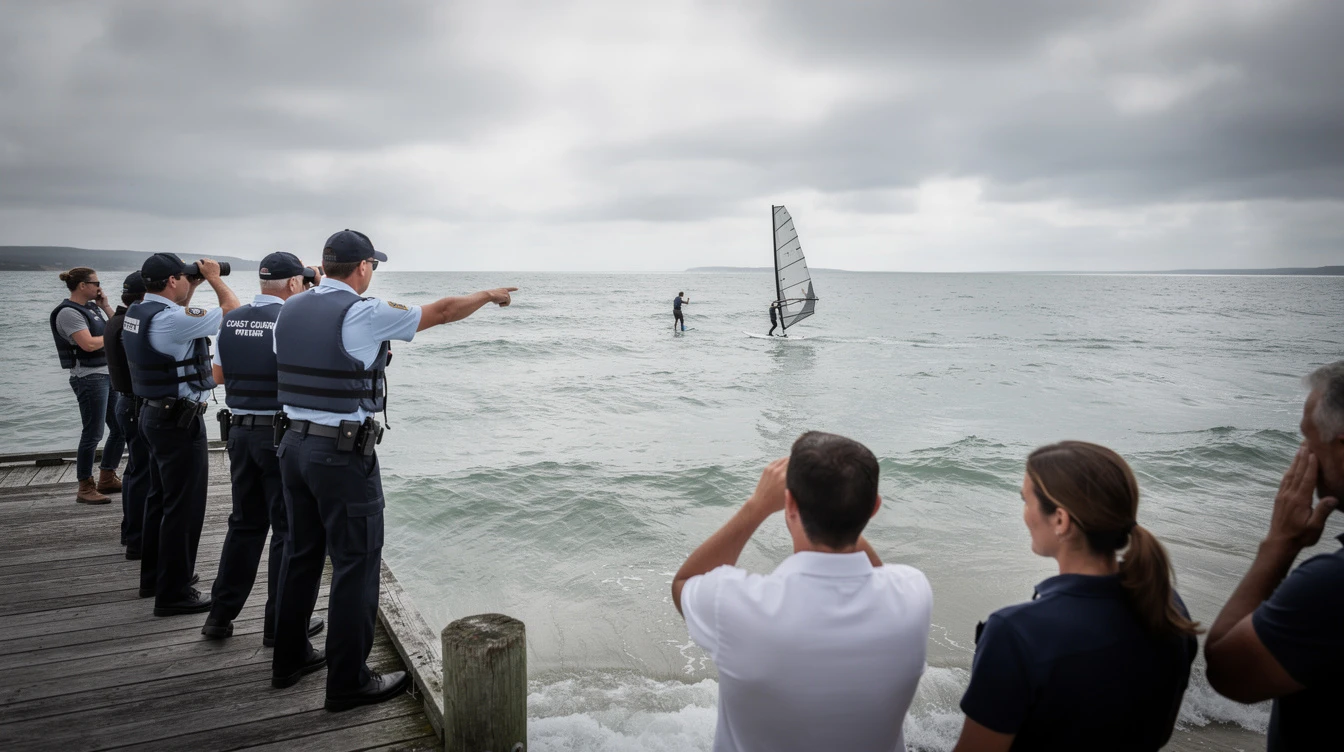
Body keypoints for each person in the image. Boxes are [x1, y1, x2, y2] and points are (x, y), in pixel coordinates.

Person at [269, 229, 517, 711]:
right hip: (339, 454)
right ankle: (348, 682)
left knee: (301, 553)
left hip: (292, 446)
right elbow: (442, 312)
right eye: (373, 265)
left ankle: (289, 658)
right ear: (363, 267)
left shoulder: (290, 308)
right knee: (356, 564)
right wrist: (488, 295)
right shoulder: (362, 312)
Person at [672, 431, 932, 752]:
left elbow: (685, 582)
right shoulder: (914, 594)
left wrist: (756, 506)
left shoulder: (735, 605)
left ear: (789, 504)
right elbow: (879, 576)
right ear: (874, 508)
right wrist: (841, 508)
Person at [953, 441, 1199, 752]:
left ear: (1060, 520)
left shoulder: (1016, 633)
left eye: (1026, 501)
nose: (1025, 514)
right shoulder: (1167, 607)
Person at [1204, 362, 1343, 752]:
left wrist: (1280, 544)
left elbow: (1228, 672)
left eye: (1308, 440)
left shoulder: (1332, 584)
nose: (1302, 454)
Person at [203, 253, 324, 647]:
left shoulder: (231, 319)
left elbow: (217, 376)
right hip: (277, 435)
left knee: (244, 524)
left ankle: (219, 616)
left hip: (239, 432)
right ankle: (278, 626)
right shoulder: (289, 321)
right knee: (287, 531)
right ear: (293, 284)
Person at [122, 253, 240, 616]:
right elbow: (232, 311)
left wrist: (193, 285)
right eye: (184, 277)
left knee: (160, 500)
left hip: (152, 414)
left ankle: (155, 579)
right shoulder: (172, 320)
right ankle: (174, 592)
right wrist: (214, 277)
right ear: (173, 280)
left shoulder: (140, 312)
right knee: (183, 509)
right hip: (178, 422)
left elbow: (178, 313)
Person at [50, 266, 126, 504]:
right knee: (93, 432)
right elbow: (88, 344)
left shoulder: (92, 308)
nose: (99, 287)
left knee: (120, 428)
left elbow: (119, 327)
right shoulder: (68, 313)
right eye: (96, 283)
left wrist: (105, 306)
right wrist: (111, 337)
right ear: (83, 285)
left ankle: (107, 477)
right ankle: (85, 486)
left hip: (108, 374)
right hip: (89, 377)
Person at [103, 271, 150, 558]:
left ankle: (131, 533)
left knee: (135, 471)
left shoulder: (116, 321)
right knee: (142, 473)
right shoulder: (128, 326)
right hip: (134, 403)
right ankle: (137, 539)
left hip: (125, 402)